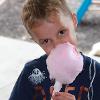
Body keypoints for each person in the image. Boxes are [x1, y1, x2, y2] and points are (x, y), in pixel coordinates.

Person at [9, 0, 100, 100]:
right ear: (36, 42)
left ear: (74, 21)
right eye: (46, 41)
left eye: (61, 32)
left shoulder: (95, 72)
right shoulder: (31, 74)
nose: (57, 45)